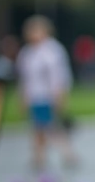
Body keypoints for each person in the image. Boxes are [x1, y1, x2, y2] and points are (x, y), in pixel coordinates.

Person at [14, 16, 75, 171]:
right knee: (38, 128)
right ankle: (40, 157)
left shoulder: (52, 50)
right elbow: (24, 78)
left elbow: (59, 75)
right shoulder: (27, 52)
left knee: (51, 127)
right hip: (35, 96)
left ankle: (67, 154)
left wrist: (60, 95)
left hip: (47, 95)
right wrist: (23, 97)